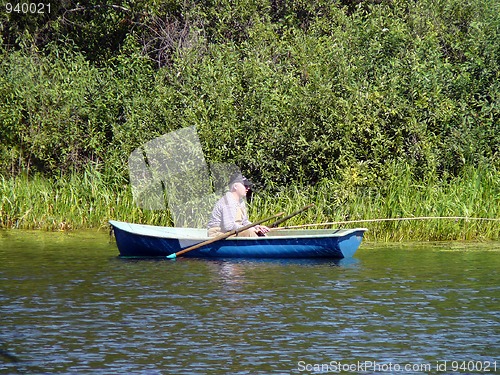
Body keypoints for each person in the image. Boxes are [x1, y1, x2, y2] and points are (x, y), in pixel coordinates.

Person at [207, 173, 270, 237]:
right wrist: (250, 229)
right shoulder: (227, 202)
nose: (248, 188)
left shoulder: (241, 202)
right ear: (235, 186)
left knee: (261, 234)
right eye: (245, 186)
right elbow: (229, 226)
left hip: (232, 232)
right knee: (250, 232)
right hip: (218, 234)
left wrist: (257, 227)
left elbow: (244, 222)